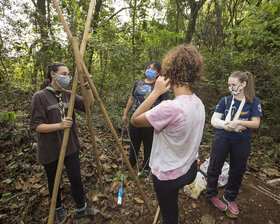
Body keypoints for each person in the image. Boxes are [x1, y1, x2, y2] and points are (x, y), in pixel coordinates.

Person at [131, 44, 205, 224]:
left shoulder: (170, 108)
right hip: (189, 170)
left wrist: (156, 92)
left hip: (168, 176)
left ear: (169, 73)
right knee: (170, 203)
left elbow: (135, 119)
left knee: (169, 215)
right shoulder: (198, 102)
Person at [29, 62, 98, 223]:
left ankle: (81, 208)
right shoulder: (40, 97)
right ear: (53, 74)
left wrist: (87, 87)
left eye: (68, 74)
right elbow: (36, 126)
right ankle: (58, 208)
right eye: (64, 74)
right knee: (54, 179)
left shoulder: (70, 94)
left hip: (70, 146)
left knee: (75, 177)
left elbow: (89, 104)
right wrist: (59, 125)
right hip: (50, 147)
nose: (67, 77)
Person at [206, 71, 263, 216]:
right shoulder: (224, 101)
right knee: (214, 166)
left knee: (238, 170)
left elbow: (255, 123)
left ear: (243, 84)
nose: (231, 88)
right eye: (229, 85)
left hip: (241, 141)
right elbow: (214, 121)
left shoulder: (253, 102)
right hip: (222, 138)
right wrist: (229, 125)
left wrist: (238, 122)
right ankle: (212, 194)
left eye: (234, 85)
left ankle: (229, 196)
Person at [122, 62, 169, 177]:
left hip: (150, 121)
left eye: (152, 69)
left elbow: (165, 104)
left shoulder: (161, 87)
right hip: (134, 118)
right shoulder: (138, 83)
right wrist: (125, 114)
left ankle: (147, 167)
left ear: (158, 73)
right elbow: (132, 98)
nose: (148, 70)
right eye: (147, 68)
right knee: (134, 143)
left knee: (149, 145)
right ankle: (132, 162)